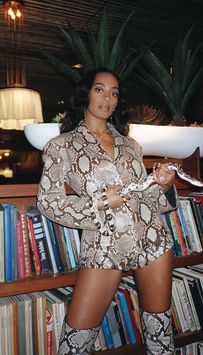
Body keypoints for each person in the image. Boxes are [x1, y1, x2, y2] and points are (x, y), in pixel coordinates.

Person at [37, 67, 177, 355]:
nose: (107, 98)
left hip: (151, 238)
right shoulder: (61, 146)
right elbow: (47, 201)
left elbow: (145, 197)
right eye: (99, 89)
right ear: (85, 93)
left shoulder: (131, 145)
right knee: (75, 342)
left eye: (114, 93)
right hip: (104, 245)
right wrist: (99, 202)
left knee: (160, 336)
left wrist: (162, 185)